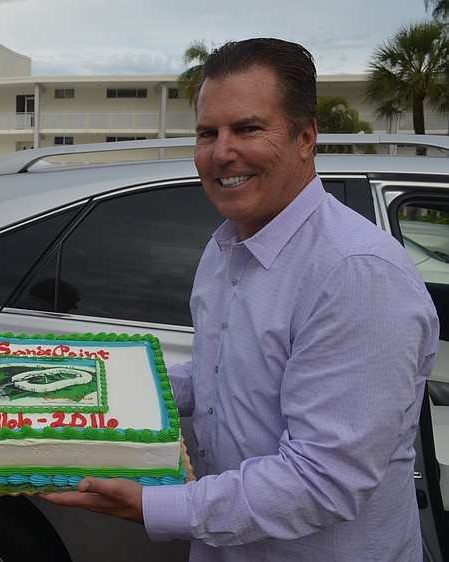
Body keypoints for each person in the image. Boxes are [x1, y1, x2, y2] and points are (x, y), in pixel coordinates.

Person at [42, 38, 439, 561]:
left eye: (248, 128)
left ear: (305, 137)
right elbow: (221, 375)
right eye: (207, 133)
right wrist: (100, 388)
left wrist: (156, 506)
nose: (221, 152)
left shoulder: (356, 274)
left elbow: (323, 480)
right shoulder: (227, 245)